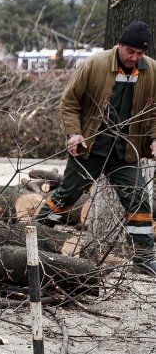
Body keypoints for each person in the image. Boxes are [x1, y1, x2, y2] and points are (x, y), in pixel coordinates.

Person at [35, 21, 156, 276]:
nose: (134, 58)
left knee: (138, 199)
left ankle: (144, 258)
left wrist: (154, 137)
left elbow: (154, 111)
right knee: (65, 196)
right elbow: (69, 102)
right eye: (130, 52)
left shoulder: (152, 71)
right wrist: (74, 133)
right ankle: (33, 240)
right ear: (119, 45)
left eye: (139, 54)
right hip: (90, 147)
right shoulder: (95, 64)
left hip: (126, 151)